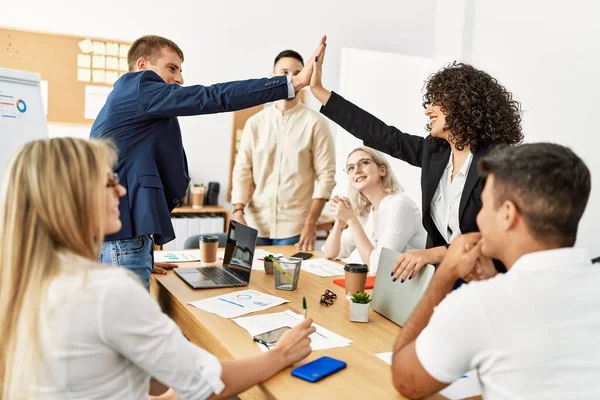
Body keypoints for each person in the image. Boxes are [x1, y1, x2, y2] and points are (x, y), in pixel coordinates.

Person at [0, 137, 315, 399]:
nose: (122, 191)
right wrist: (281, 354)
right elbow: (206, 386)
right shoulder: (103, 290)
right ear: (72, 197)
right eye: (110, 181)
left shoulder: (26, 280)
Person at [90, 35, 325, 288]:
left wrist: (143, 258)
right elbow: (212, 96)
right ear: (143, 65)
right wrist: (294, 83)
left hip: (126, 239)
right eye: (171, 68)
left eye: (180, 70)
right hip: (123, 239)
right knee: (127, 326)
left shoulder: (131, 99)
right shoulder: (140, 87)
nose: (179, 79)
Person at [390, 143, 600, 398]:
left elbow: (406, 381)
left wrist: (444, 276)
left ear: (507, 214)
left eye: (484, 205)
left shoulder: (480, 302)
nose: (478, 218)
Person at [309, 46, 523, 282]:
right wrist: (319, 92)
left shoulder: (497, 161)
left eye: (437, 101)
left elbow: (498, 234)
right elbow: (381, 134)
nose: (427, 110)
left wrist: (433, 253)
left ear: (463, 104)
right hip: (445, 277)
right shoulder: (435, 154)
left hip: (488, 278)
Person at [231, 49, 335, 250]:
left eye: (297, 73)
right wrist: (237, 210)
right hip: (254, 223)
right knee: (250, 280)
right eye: (284, 72)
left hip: (296, 227)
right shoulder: (255, 123)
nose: (290, 78)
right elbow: (243, 169)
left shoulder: (315, 123)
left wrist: (311, 223)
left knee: (290, 281)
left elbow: (326, 176)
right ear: (272, 77)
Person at [322, 147, 426, 274]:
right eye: (351, 168)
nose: (357, 170)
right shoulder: (366, 211)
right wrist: (339, 222)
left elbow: (377, 268)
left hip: (407, 288)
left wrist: (351, 220)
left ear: (382, 170)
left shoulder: (399, 205)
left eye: (364, 162)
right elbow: (330, 253)